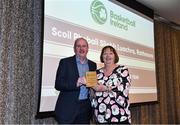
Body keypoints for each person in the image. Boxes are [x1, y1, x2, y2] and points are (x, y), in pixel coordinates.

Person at [54, 37, 97, 124]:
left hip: (85, 108)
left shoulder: (92, 65)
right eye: (78, 46)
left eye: (84, 46)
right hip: (67, 108)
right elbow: (58, 84)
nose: (81, 49)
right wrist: (76, 83)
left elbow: (92, 85)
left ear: (87, 49)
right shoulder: (65, 62)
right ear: (74, 49)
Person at [91, 45, 131, 124]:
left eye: (111, 53)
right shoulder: (96, 73)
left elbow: (122, 89)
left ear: (115, 56)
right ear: (102, 57)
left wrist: (103, 88)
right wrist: (88, 85)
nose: (108, 56)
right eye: (105, 54)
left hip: (120, 116)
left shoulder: (122, 70)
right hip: (101, 117)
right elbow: (92, 95)